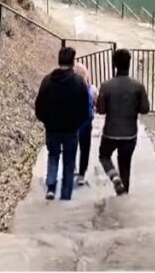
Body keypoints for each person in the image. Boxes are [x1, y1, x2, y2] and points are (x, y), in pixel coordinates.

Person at [34, 46, 89, 201]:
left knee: (53, 156)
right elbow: (85, 108)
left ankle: (51, 187)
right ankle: (66, 192)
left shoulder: (47, 80)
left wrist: (46, 120)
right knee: (69, 160)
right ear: (72, 62)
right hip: (71, 129)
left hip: (52, 128)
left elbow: (39, 105)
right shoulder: (78, 82)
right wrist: (78, 123)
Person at [96, 48, 150, 195]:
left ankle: (114, 176)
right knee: (125, 162)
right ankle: (124, 191)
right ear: (129, 64)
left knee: (104, 155)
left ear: (114, 64)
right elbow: (145, 109)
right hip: (130, 133)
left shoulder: (106, 86)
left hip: (110, 133)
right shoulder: (138, 86)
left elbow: (101, 110)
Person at [73, 61, 97, 186]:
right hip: (86, 123)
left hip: (71, 123)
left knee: (71, 145)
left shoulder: (69, 88)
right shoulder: (91, 89)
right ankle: (82, 174)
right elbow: (97, 102)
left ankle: (71, 168)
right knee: (85, 148)